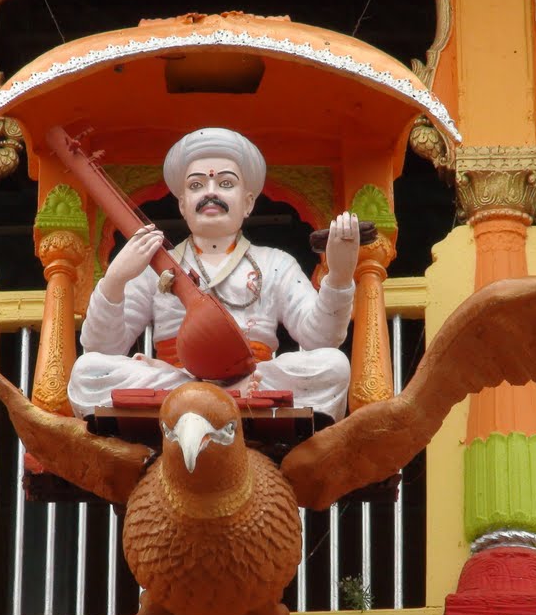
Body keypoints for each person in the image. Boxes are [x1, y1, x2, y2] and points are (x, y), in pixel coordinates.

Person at [67, 127, 360, 421]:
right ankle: (203, 391)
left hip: (255, 377)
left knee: (333, 364)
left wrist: (339, 276)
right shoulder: (154, 265)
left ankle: (208, 393)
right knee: (87, 370)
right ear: (182, 204)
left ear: (248, 203)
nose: (210, 193)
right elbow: (101, 348)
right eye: (196, 185)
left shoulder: (275, 263)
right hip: (176, 379)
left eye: (225, 183)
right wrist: (115, 280)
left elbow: (320, 339)